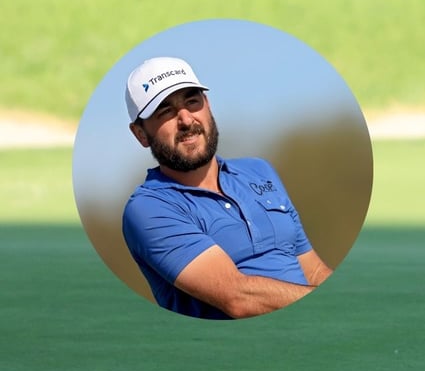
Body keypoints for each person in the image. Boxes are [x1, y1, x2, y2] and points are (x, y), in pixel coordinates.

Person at [120, 57, 332, 320]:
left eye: (192, 101)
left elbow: (312, 271)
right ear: (140, 134)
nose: (186, 119)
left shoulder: (259, 170)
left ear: (208, 106)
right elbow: (238, 297)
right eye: (165, 111)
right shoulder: (148, 208)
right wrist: (331, 309)